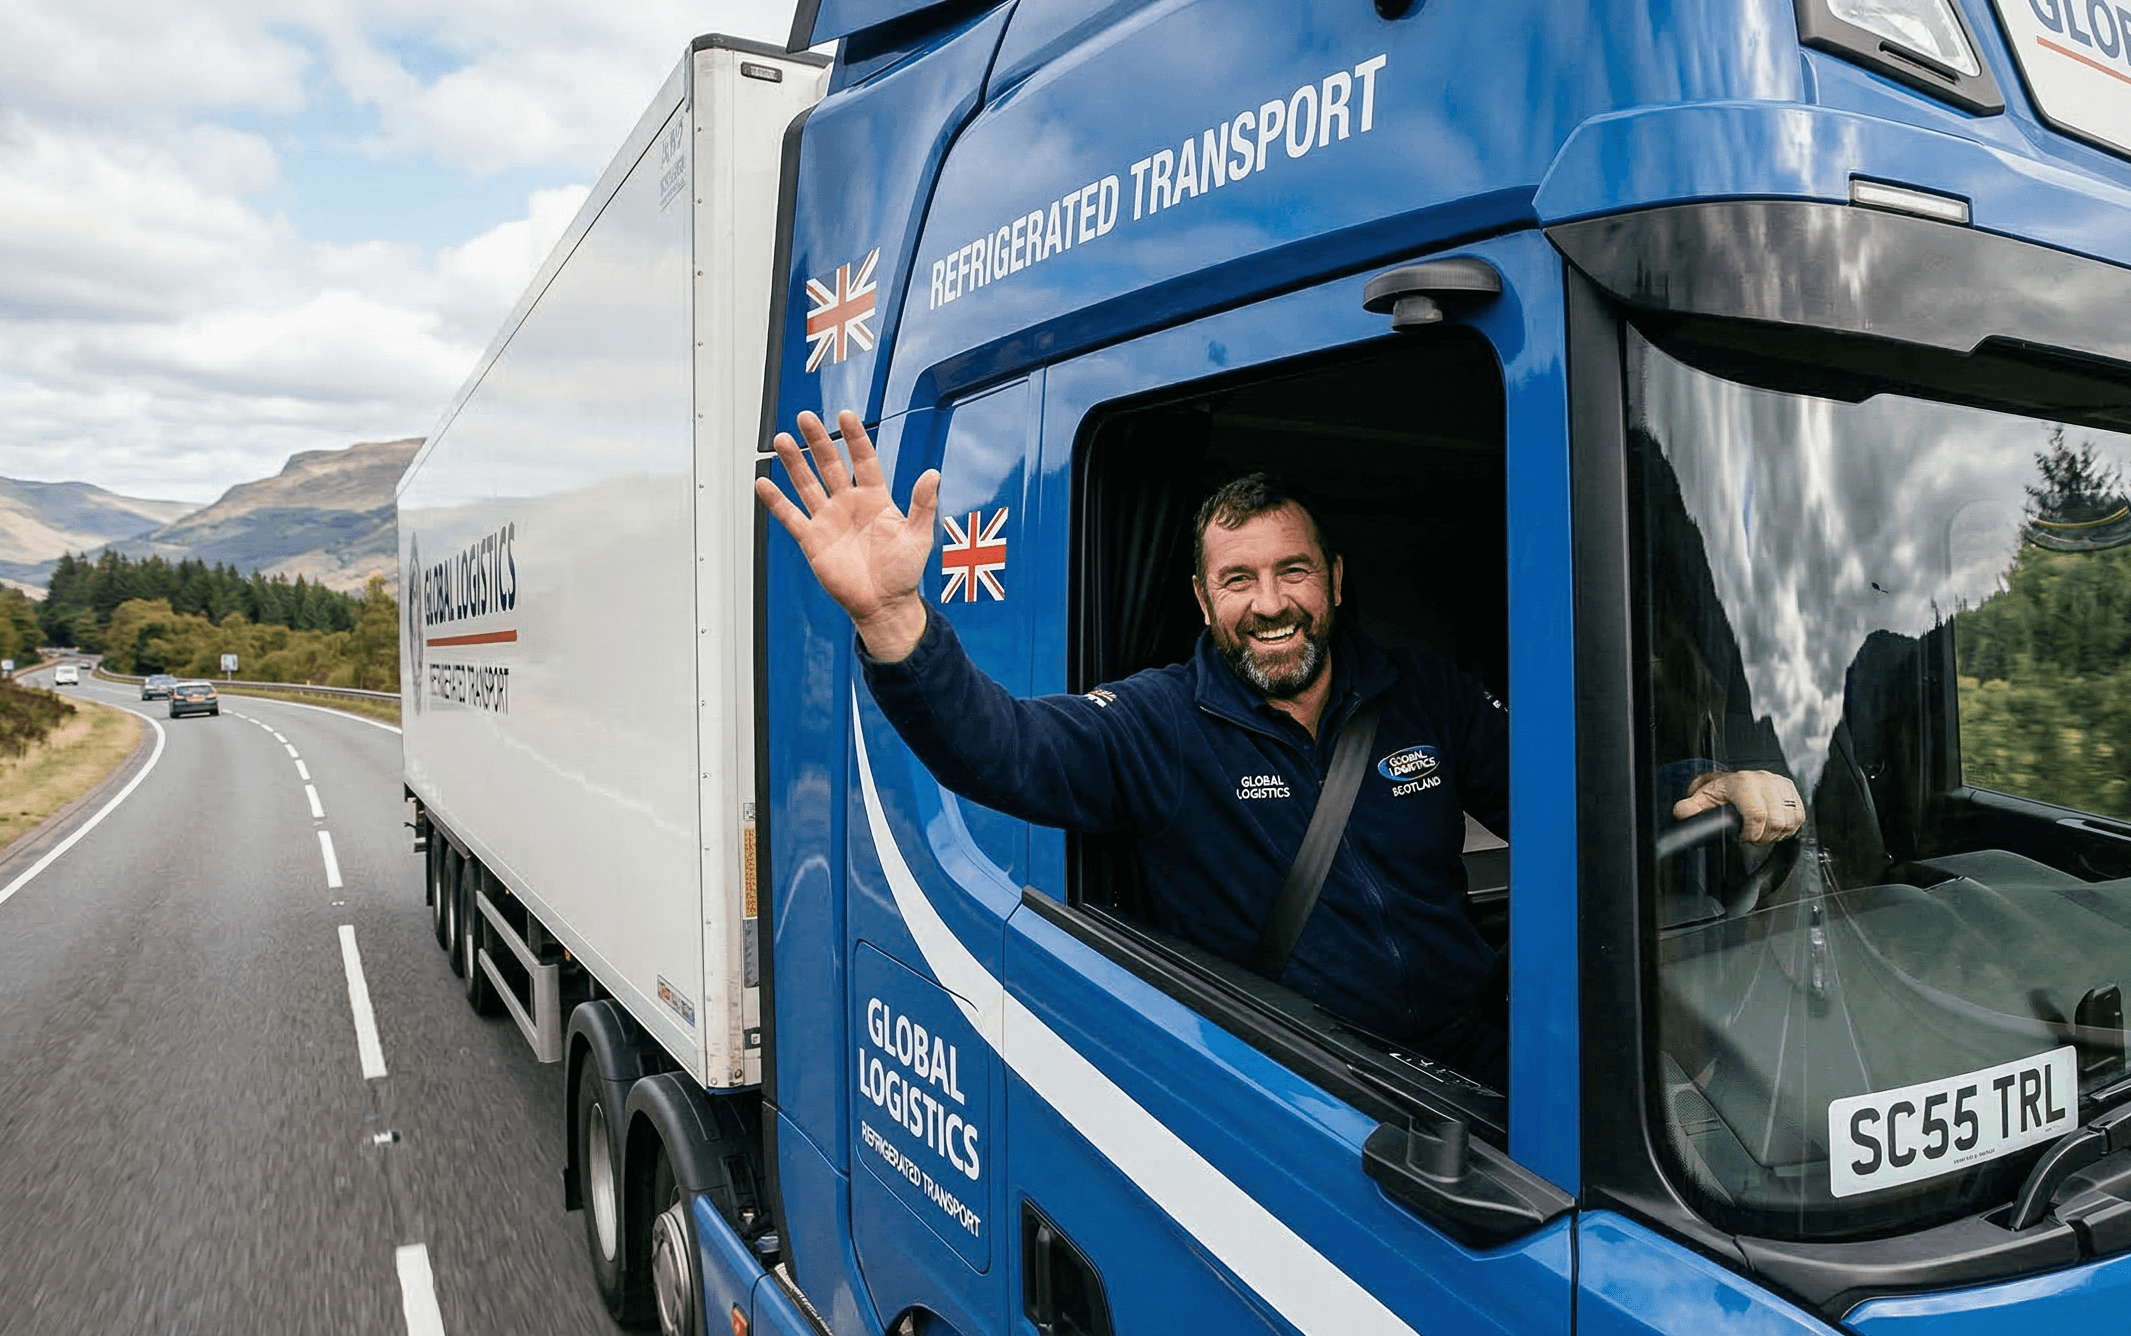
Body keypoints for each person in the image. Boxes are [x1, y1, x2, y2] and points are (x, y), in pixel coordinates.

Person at [757, 408, 1800, 1083]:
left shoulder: (1420, 693)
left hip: (1472, 1051)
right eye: (1239, 581)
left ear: (1334, 581)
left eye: (1291, 573)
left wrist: (1700, 784)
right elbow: (1002, 750)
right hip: (1303, 1085)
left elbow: (1558, 795)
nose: (1270, 606)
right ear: (1203, 601)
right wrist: (896, 623)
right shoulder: (1159, 725)